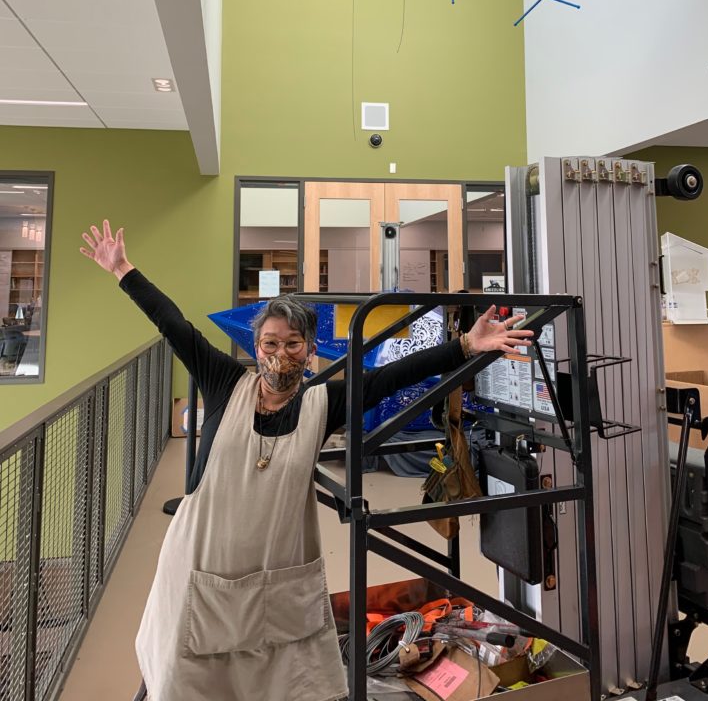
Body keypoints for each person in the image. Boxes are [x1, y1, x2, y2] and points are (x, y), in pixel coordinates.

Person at [80, 219, 533, 701]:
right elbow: (172, 324)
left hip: (278, 574)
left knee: (279, 677)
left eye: (292, 344)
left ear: (310, 350)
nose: (280, 354)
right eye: (270, 344)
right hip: (199, 566)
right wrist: (123, 268)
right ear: (256, 348)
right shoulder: (224, 383)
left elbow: (392, 378)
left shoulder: (322, 404)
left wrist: (465, 345)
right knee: (182, 675)